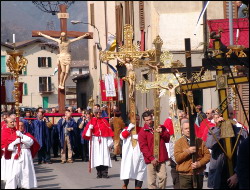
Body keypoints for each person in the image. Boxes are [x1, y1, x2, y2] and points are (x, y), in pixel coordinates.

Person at [206, 112, 248, 189]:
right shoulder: (213, 131)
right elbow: (209, 145)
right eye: (222, 115)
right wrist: (218, 128)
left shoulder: (241, 132)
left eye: (230, 114)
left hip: (238, 174)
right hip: (220, 174)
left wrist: (237, 174)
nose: (227, 117)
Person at [174, 119, 211, 189]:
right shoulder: (179, 143)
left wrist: (199, 163)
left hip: (198, 174)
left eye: (189, 128)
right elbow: (177, 159)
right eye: (186, 128)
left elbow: (208, 156)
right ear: (182, 131)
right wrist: (188, 151)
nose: (188, 130)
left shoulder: (200, 141)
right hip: (185, 175)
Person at [138, 111, 170, 189]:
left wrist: (161, 132)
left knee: (163, 177)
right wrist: (151, 158)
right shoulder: (142, 132)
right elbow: (143, 147)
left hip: (161, 157)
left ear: (152, 117)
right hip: (150, 160)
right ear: (144, 120)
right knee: (151, 181)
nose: (149, 121)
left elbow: (167, 139)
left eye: (150, 119)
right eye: (147, 120)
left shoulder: (161, 127)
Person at [5, 121, 40, 189]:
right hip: (15, 154)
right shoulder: (13, 135)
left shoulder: (27, 134)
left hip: (25, 154)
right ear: (16, 126)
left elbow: (30, 142)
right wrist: (14, 142)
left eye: (22, 125)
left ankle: (25, 186)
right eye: (19, 125)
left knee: (25, 172)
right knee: (14, 172)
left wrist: (22, 136)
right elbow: (8, 147)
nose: (20, 127)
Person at [82, 108, 114, 178]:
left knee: (104, 156)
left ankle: (105, 173)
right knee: (97, 157)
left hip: (103, 140)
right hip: (95, 141)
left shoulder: (105, 121)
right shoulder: (91, 121)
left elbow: (108, 130)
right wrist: (89, 129)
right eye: (97, 112)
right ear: (94, 113)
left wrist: (109, 141)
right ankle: (99, 172)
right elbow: (87, 134)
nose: (99, 114)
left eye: (100, 112)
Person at [120, 114, 146, 189]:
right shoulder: (127, 128)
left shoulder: (142, 129)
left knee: (140, 169)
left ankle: (138, 186)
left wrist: (139, 137)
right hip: (129, 153)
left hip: (140, 152)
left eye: (138, 119)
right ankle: (125, 184)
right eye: (135, 119)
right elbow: (122, 136)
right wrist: (129, 129)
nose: (137, 121)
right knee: (128, 168)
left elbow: (146, 138)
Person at [1, 117, 16, 182]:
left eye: (13, 122)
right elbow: (4, 143)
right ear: (7, 124)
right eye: (11, 122)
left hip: (15, 153)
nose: (13, 123)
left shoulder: (15, 130)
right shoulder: (4, 131)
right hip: (7, 153)